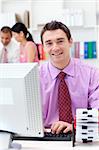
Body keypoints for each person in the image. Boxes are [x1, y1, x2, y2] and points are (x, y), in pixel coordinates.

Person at [39, 20, 99, 134]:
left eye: (60, 41)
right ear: (43, 47)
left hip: (81, 134)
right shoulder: (34, 77)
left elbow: (98, 111)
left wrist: (76, 126)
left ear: (70, 42)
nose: (55, 48)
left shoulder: (92, 74)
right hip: (45, 137)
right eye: (49, 43)